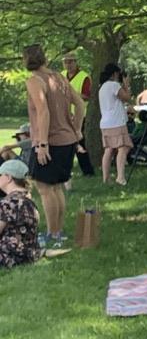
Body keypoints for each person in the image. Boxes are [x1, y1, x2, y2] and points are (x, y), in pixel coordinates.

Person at [23, 44, 84, 247]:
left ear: (26, 60)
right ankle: (57, 232)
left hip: (49, 142)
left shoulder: (35, 81)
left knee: (45, 189)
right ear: (45, 58)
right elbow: (80, 104)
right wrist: (77, 129)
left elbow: (43, 111)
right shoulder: (60, 78)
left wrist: (42, 144)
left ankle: (53, 234)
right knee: (56, 187)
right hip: (67, 140)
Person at [0, 157, 41, 268]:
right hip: (30, 253)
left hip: (9, 255)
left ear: (8, 177)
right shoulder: (29, 200)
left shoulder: (7, 203)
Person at [98, 63, 133, 185]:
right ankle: (120, 177)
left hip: (105, 123)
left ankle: (106, 178)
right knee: (123, 147)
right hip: (116, 122)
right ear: (114, 74)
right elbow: (126, 97)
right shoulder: (114, 85)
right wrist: (126, 85)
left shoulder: (102, 87)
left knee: (109, 149)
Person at [62, 51, 96, 176]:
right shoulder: (61, 75)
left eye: (71, 62)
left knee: (79, 142)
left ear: (76, 62)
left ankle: (87, 171)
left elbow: (86, 95)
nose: (68, 65)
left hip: (78, 116)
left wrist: (71, 95)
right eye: (66, 62)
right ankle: (66, 168)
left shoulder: (84, 77)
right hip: (63, 115)